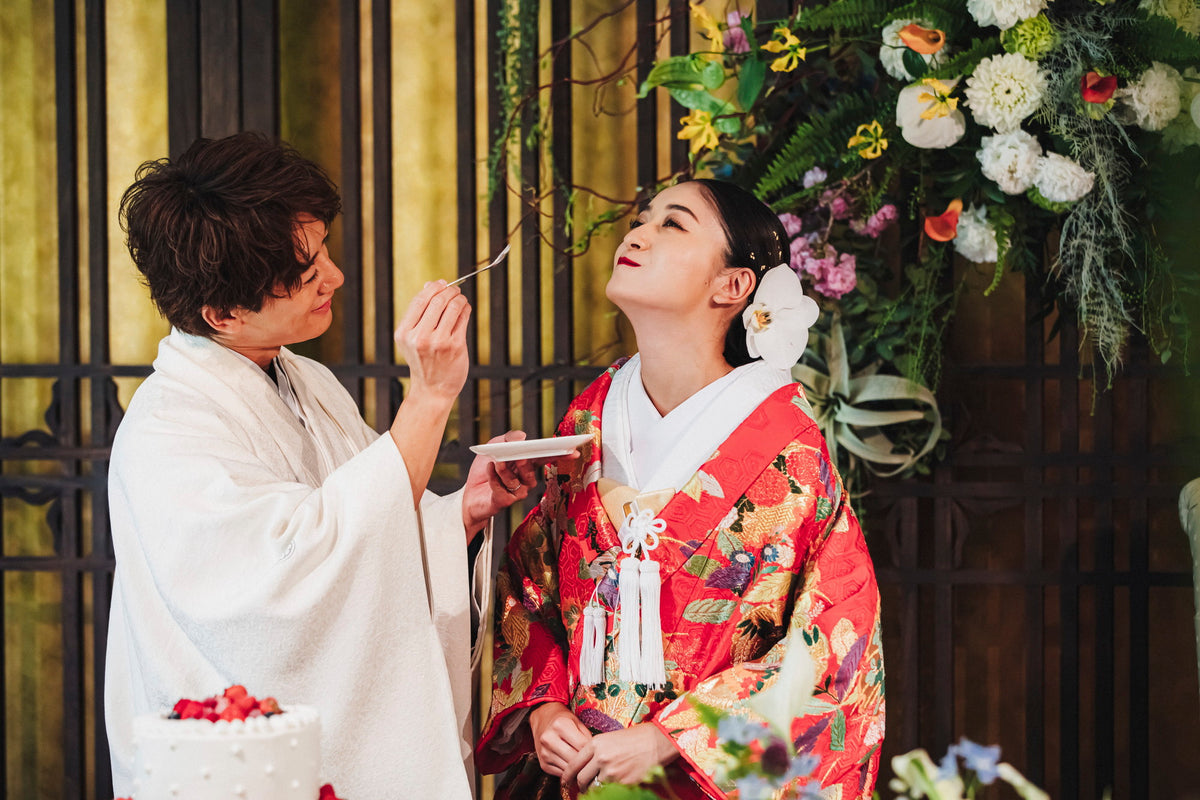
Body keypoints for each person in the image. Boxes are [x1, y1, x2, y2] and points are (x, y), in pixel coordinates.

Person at [105, 132, 539, 798]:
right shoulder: (168, 431)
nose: (333, 278)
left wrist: (462, 515)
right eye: (307, 275)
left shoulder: (303, 378)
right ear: (221, 312)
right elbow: (295, 580)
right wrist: (427, 398)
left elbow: (373, 522)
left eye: (324, 253)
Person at [476, 179, 885, 799]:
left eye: (674, 223)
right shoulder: (590, 422)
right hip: (575, 776)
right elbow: (531, 589)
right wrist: (544, 709)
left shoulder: (788, 446)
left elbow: (835, 641)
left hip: (697, 782)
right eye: (642, 219)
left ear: (733, 286)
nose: (638, 233)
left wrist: (676, 736)